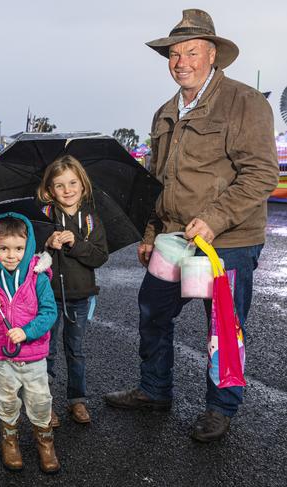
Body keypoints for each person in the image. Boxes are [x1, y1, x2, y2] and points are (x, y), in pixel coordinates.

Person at [103, 9, 279, 443]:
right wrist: (149, 234)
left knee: (222, 324)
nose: (181, 61)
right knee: (153, 309)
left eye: (192, 51)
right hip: (174, 238)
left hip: (227, 243)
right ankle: (154, 390)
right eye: (174, 53)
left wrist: (215, 219)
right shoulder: (166, 111)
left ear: (212, 55)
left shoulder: (244, 102)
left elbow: (261, 173)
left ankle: (220, 408)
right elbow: (155, 181)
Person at [0, 214, 59, 473]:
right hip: (0, 356)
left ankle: (45, 440)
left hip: (33, 355)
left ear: (28, 246)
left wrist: (27, 332)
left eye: (18, 248)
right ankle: (10, 438)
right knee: (6, 399)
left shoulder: (37, 277)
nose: (10, 255)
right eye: (3, 248)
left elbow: (49, 312)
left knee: (40, 400)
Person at [38, 155, 108, 425]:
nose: (67, 190)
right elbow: (29, 254)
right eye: (59, 185)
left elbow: (100, 256)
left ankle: (76, 400)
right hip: (48, 297)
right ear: (49, 191)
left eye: (72, 183)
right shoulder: (44, 217)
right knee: (47, 350)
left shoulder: (90, 220)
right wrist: (48, 244)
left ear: (83, 185)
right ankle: (44, 403)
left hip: (79, 296)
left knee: (75, 349)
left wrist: (76, 243)